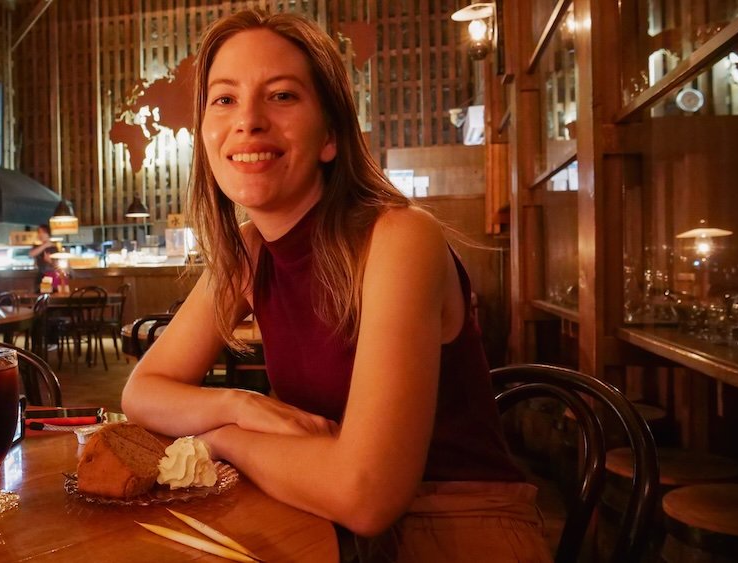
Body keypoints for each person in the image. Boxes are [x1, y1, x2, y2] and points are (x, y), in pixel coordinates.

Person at [121, 9, 551, 562]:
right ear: (205, 134)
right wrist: (242, 405)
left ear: (330, 136)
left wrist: (223, 438)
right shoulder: (249, 252)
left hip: (455, 522)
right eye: (224, 98)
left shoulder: (399, 237)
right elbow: (142, 392)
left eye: (281, 95)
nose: (247, 120)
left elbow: (367, 494)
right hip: (316, 515)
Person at [28, 224, 56, 290]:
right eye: (39, 232)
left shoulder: (54, 247)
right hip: (40, 275)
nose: (40, 235)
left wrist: (50, 261)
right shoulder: (37, 246)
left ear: (48, 234)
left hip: (51, 276)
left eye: (43, 232)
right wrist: (45, 245)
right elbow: (31, 254)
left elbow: (58, 265)